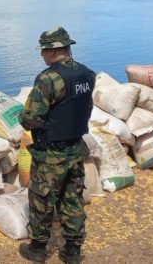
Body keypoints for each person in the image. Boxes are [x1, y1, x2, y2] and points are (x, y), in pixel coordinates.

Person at [18, 27, 96, 264]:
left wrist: (22, 118)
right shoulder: (87, 74)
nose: (42, 55)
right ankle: (72, 251)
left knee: (41, 200)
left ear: (52, 51)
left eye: (43, 50)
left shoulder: (48, 79)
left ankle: (38, 250)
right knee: (72, 198)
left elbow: (34, 118)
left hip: (51, 153)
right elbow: (85, 107)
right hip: (75, 149)